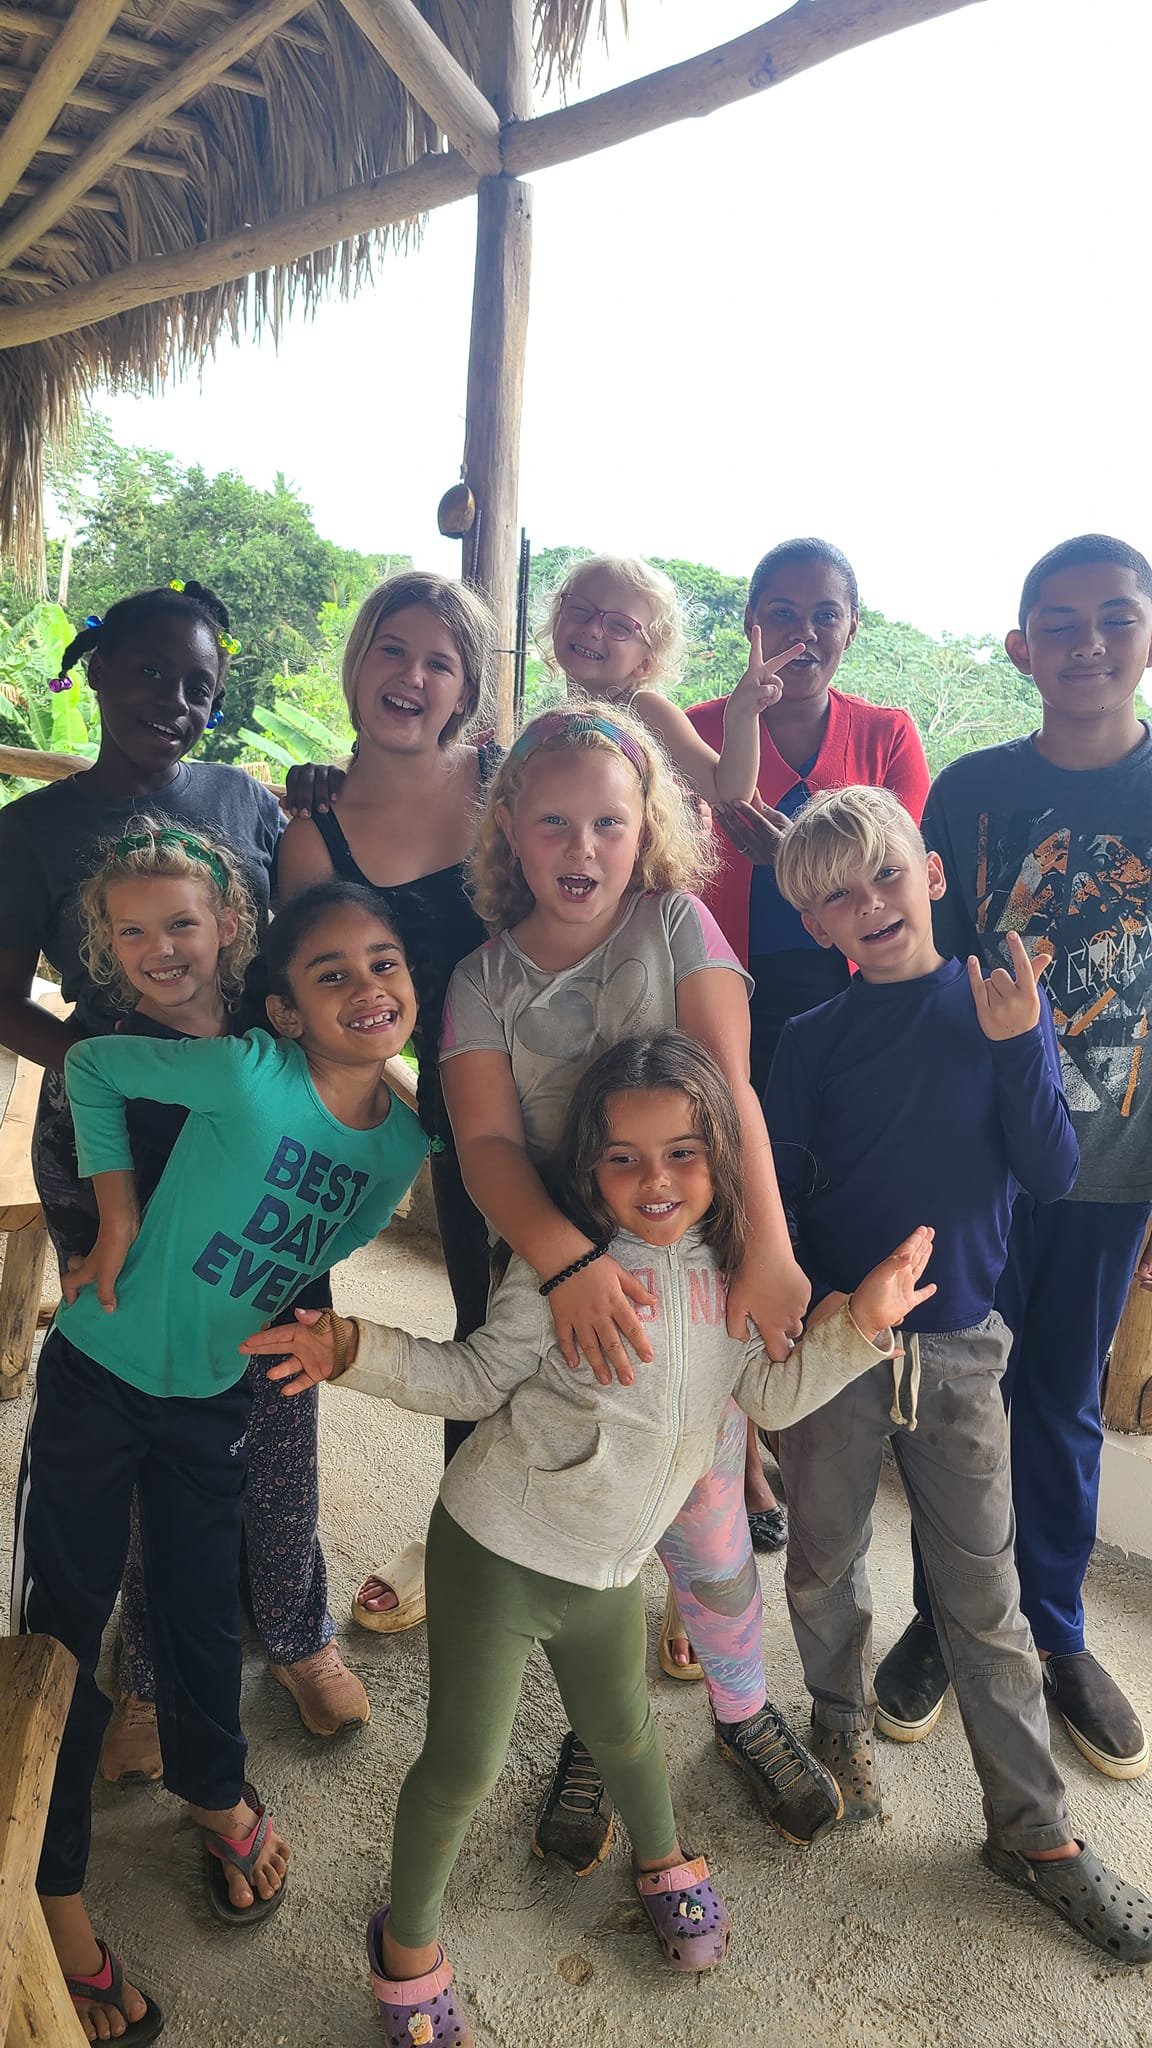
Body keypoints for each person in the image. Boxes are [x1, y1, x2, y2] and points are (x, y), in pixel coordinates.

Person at [242, 1032, 934, 2043]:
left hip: (609, 1572)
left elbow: (772, 1394)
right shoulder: (560, 1266)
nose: (656, 1179)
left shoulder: (734, 1278)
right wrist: (351, 1346)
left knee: (628, 1733)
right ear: (589, 1166)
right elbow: (472, 1379)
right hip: (497, 1547)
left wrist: (860, 1325)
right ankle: (407, 1948)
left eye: (683, 1152)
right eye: (624, 1157)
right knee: (462, 1765)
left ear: (722, 1157)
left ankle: (664, 1859)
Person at [12, 880, 429, 2042]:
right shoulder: (251, 1072)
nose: (365, 985)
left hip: (210, 1397)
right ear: (284, 1011)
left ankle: (212, 1788)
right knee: (62, 1625)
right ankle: (50, 1888)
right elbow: (95, 1069)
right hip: (98, 1378)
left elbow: (317, 1248)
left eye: (384, 962)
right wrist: (117, 1215)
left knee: (199, 1612)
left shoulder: (403, 1146)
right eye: (331, 972)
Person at [436, 703, 841, 1872]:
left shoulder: (677, 925)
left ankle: (743, 1707)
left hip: (696, 1281)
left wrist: (768, 1245)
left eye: (609, 822)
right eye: (553, 821)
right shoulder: (480, 978)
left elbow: (732, 1088)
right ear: (508, 826)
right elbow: (486, 1144)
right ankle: (592, 1730)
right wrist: (568, 1263)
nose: (582, 846)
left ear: (646, 826)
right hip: (563, 1299)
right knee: (589, 1525)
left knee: (711, 1528)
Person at [764, 785, 1152, 1964]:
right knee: (824, 1554)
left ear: (931, 875)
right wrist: (803, 1315)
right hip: (838, 1342)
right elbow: (780, 1192)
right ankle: (837, 1722)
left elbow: (1048, 1168)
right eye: (838, 895)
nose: (869, 903)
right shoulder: (809, 1037)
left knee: (986, 1593)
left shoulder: (995, 1007)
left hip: (966, 1343)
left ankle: (1033, 1830)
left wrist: (1021, 1041)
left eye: (886, 874)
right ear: (817, 923)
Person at [0, 581, 368, 1766]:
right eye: (151, 672)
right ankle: (152, 1665)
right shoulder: (34, 830)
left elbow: (307, 938)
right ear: (97, 669)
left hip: (257, 1141)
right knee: (147, 1395)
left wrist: (320, 806)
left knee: (280, 1373)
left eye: (199, 686)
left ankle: (298, 1624)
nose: (173, 699)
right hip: (113, 1151)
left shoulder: (243, 802)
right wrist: (108, 1056)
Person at [875, 535, 1152, 1781]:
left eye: (1115, 616)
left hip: (1114, 1164)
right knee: (951, 1394)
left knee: (1061, 1397)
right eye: (1060, 621)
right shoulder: (973, 790)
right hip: (978, 1161)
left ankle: (1055, 1627)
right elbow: (924, 968)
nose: (1087, 642)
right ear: (1019, 646)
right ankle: (945, 1614)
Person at [688, 538, 931, 1554]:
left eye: (824, 612)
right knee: (728, 1224)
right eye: (780, 612)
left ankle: (802, 1420)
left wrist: (790, 852)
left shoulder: (885, 733)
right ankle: (741, 1460)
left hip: (846, 1019)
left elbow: (895, 870)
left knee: (811, 1221)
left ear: (851, 628)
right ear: (750, 623)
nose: (802, 632)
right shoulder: (701, 729)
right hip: (721, 1011)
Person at [276, 570, 500, 1629]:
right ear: (359, 660)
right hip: (460, 1111)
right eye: (393, 649)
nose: (413, 675)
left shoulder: (508, 779)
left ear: (467, 689)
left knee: (625, 1314)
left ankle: (675, 1564)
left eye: (440, 661)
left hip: (579, 1086)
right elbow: (320, 1006)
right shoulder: (315, 832)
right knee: (481, 1327)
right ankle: (466, 1545)